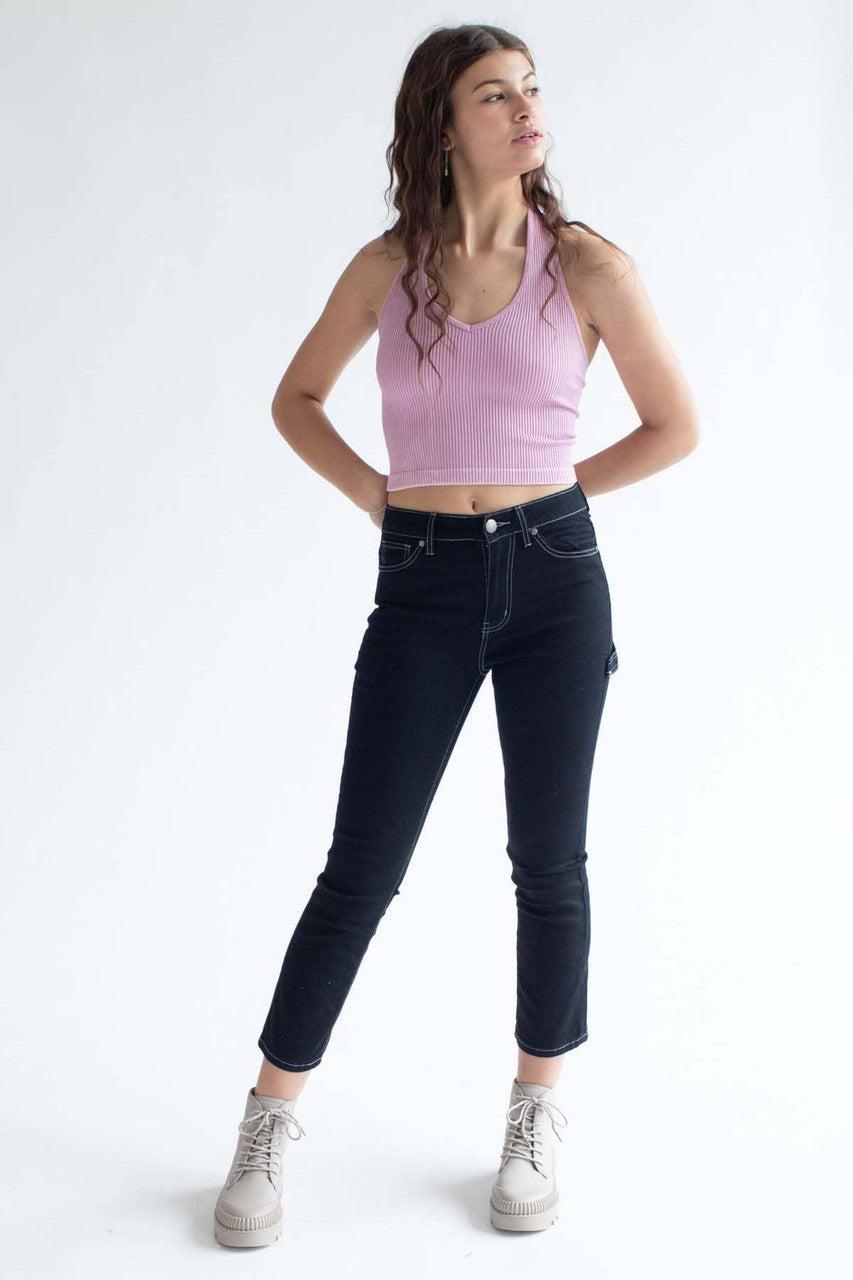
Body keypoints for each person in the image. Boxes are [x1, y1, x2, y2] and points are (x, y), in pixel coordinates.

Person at [214, 24, 700, 1248]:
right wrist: (377, 494)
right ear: (443, 123)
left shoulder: (585, 265)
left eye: (530, 89)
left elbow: (674, 425)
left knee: (549, 859)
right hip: (422, 580)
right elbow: (295, 399)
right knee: (360, 866)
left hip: (555, 581)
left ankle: (535, 1110)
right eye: (495, 94)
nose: (526, 109)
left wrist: (552, 492)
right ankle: (268, 1119)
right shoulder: (388, 267)